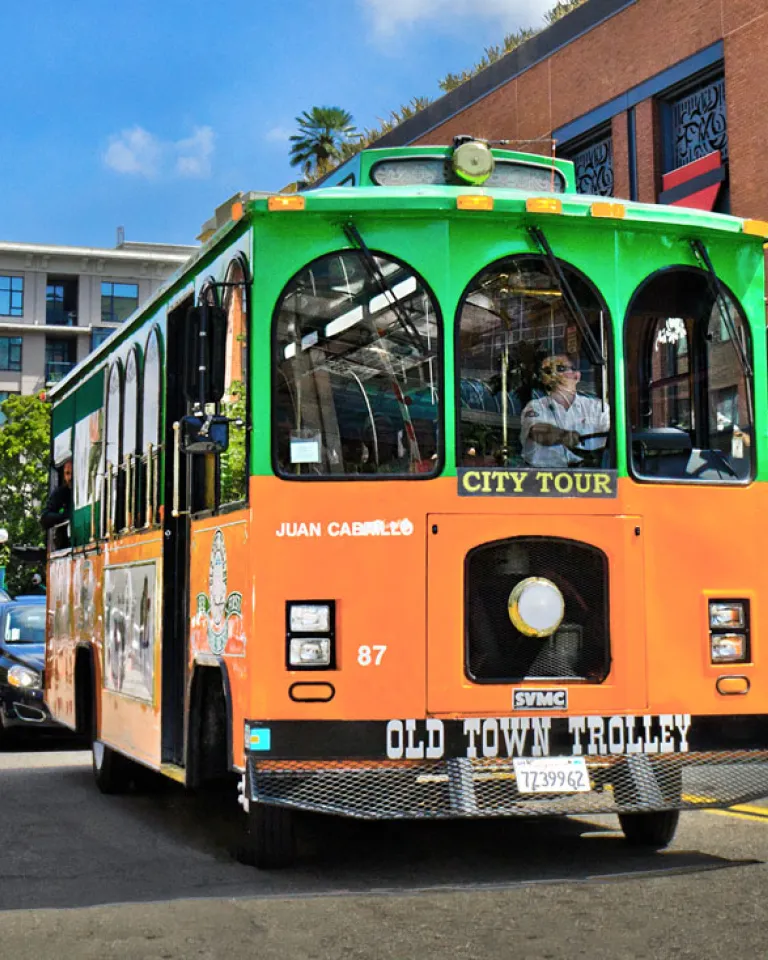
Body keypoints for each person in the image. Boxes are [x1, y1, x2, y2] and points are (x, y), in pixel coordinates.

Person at [520, 354, 610, 468]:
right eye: (548, 370)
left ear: (576, 376)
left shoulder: (597, 408)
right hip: (544, 478)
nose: (553, 374)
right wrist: (564, 436)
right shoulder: (536, 406)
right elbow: (536, 431)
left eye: (560, 368)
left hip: (590, 476)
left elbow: (614, 435)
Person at [41, 459, 72, 548]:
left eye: (72, 473)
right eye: (67, 473)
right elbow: (44, 517)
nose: (70, 477)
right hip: (65, 545)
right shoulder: (60, 493)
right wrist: (65, 517)